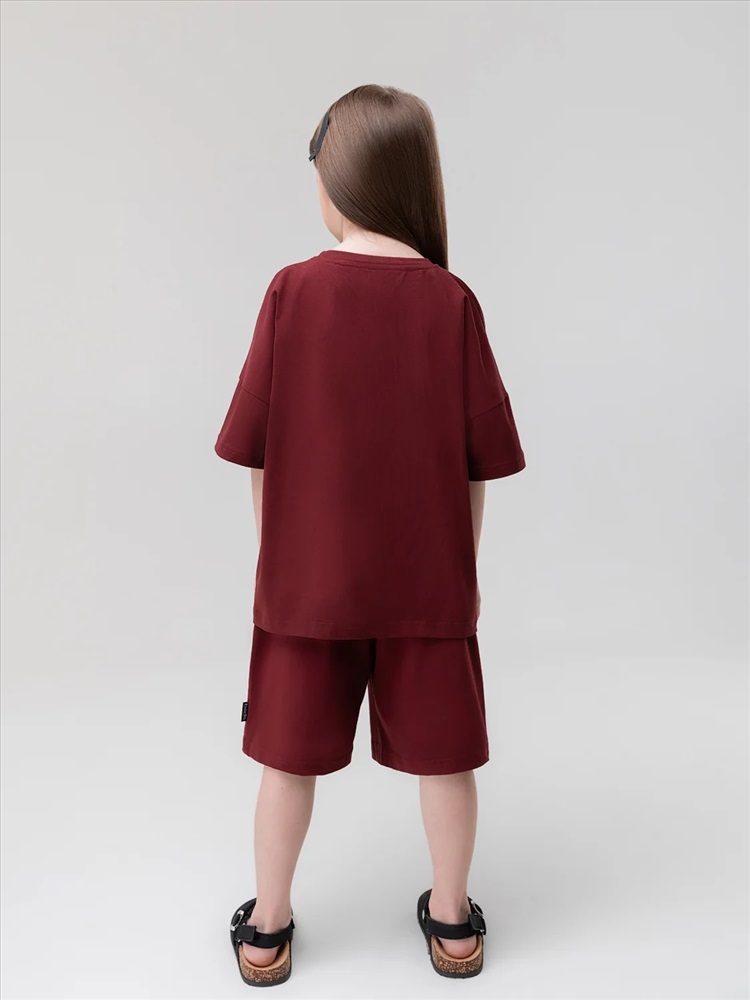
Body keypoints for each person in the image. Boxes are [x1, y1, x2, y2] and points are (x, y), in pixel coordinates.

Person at [216, 84, 527, 987]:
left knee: (286, 762)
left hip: (307, 585)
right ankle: (454, 922)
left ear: (340, 180)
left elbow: (257, 451)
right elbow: (476, 467)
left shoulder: (293, 291)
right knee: (447, 760)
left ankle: (267, 929)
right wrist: (460, 575)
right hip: (428, 586)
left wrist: (279, 561)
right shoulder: (450, 301)